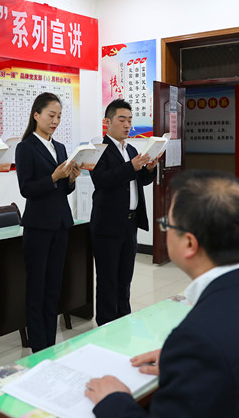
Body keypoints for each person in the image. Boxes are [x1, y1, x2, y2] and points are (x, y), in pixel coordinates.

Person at [84, 170, 239, 417]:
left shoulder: (198, 339)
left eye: (167, 224)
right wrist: (184, 365)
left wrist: (113, 400)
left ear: (189, 243)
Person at [15, 92, 81, 352]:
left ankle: (49, 345)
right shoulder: (25, 147)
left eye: (59, 117)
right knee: (37, 288)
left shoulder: (60, 147)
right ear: (36, 115)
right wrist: (53, 177)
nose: (55, 121)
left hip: (61, 224)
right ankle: (38, 348)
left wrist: (70, 179)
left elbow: (63, 190)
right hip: (38, 227)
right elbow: (26, 189)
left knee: (54, 287)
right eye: (51, 115)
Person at [90, 99, 156, 326]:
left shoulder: (131, 149)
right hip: (107, 225)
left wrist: (149, 169)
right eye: (122, 120)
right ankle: (106, 325)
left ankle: (123, 321)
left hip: (130, 224)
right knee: (108, 279)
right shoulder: (98, 150)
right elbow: (101, 180)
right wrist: (131, 167)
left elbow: (140, 180)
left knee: (125, 277)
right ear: (107, 122)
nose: (127, 125)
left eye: (130, 120)